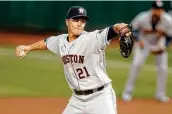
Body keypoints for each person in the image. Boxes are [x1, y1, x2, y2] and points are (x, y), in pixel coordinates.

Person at [16, 6, 133, 114]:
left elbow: (115, 28)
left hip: (100, 97)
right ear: (67, 21)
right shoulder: (60, 41)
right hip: (77, 100)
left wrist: (123, 29)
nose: (79, 24)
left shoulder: (93, 38)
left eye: (82, 21)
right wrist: (29, 47)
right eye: (76, 20)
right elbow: (47, 42)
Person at [122, 1, 172, 102]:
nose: (158, 11)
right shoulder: (142, 17)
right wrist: (138, 40)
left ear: (162, 10)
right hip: (143, 42)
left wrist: (164, 46)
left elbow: (170, 36)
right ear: (152, 9)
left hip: (159, 42)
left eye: (160, 9)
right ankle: (127, 92)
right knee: (136, 65)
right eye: (156, 9)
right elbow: (132, 29)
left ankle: (160, 95)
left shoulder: (168, 20)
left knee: (163, 69)